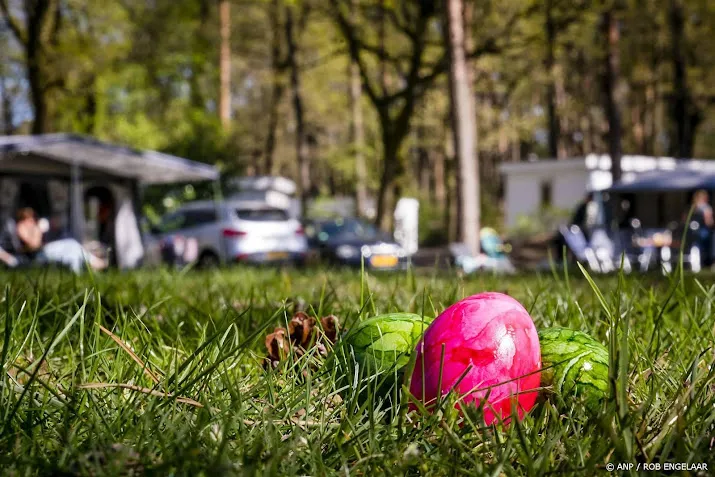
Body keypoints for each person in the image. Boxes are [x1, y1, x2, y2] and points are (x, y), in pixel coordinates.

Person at [15, 207, 107, 273]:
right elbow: (34, 245)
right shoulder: (21, 227)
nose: (32, 221)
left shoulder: (34, 226)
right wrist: (37, 231)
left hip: (45, 249)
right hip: (38, 254)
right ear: (24, 218)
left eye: (32, 218)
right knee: (72, 247)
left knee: (72, 245)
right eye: (29, 218)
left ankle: (86, 267)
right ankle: (93, 263)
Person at [688, 190, 714, 266]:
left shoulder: (693, 207)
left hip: (691, 232)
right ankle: (706, 262)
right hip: (703, 231)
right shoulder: (706, 207)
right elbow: (709, 222)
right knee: (705, 248)